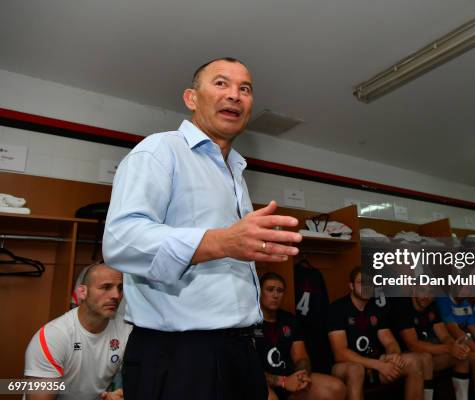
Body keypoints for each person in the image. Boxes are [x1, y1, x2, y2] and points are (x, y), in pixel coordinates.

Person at [102, 57, 303, 400]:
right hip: (180, 356)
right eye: (221, 84)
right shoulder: (159, 150)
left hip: (241, 349)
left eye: (245, 89)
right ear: (191, 98)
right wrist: (221, 242)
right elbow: (122, 241)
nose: (235, 95)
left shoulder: (236, 173)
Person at [24, 263, 131, 400]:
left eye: (120, 288)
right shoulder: (53, 337)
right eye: (106, 287)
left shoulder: (126, 330)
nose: (116, 295)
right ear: (82, 292)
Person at [327, 267, 429, 400]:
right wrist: (378, 365)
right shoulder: (337, 308)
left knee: (415, 361)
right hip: (345, 366)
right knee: (355, 370)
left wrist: (393, 355)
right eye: (361, 283)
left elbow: (390, 342)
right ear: (351, 286)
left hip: (374, 363)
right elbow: (340, 353)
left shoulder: (375, 308)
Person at [255, 272, 345, 400]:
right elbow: (248, 370)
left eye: (280, 291)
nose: (275, 295)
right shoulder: (249, 323)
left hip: (291, 379)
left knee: (336, 387)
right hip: (262, 383)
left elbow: (301, 357)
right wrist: (283, 381)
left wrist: (301, 376)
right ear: (259, 292)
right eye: (270, 290)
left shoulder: (289, 320)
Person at [391, 285, 471, 400]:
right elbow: (413, 345)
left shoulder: (432, 306)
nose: (427, 296)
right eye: (423, 290)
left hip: (430, 354)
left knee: (462, 356)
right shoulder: (403, 305)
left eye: (431, 292)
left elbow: (444, 336)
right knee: (425, 358)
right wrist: (448, 348)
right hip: (407, 359)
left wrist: (455, 346)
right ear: (414, 290)